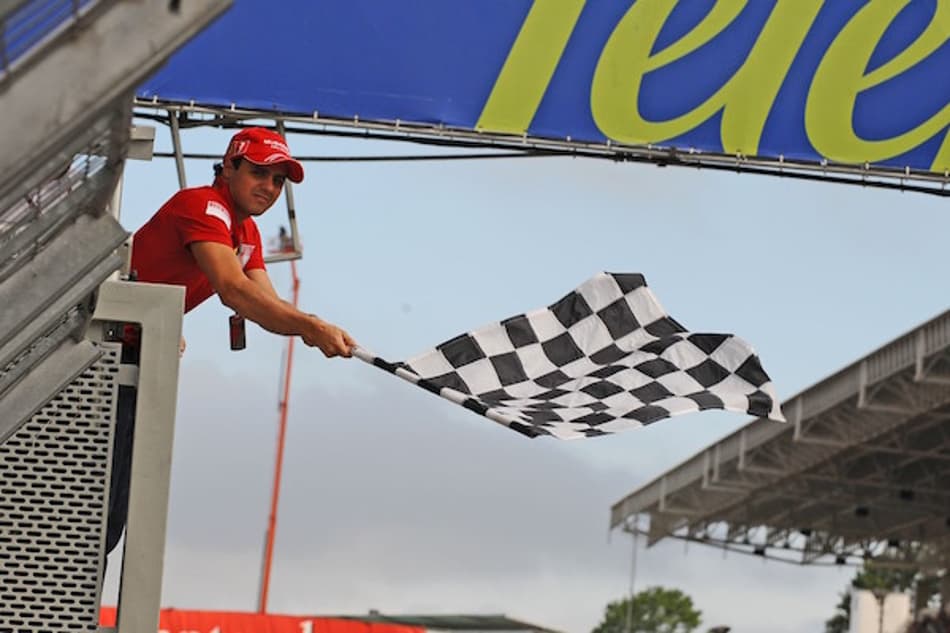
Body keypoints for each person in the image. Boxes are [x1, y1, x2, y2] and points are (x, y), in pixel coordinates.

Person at [104, 127, 355, 560]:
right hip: (96, 356)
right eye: (259, 173)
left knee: (108, 518)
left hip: (128, 360)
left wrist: (314, 328)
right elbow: (235, 290)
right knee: (92, 510)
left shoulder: (246, 232)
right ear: (229, 166)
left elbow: (267, 304)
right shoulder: (203, 206)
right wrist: (312, 327)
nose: (270, 187)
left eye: (279, 180)